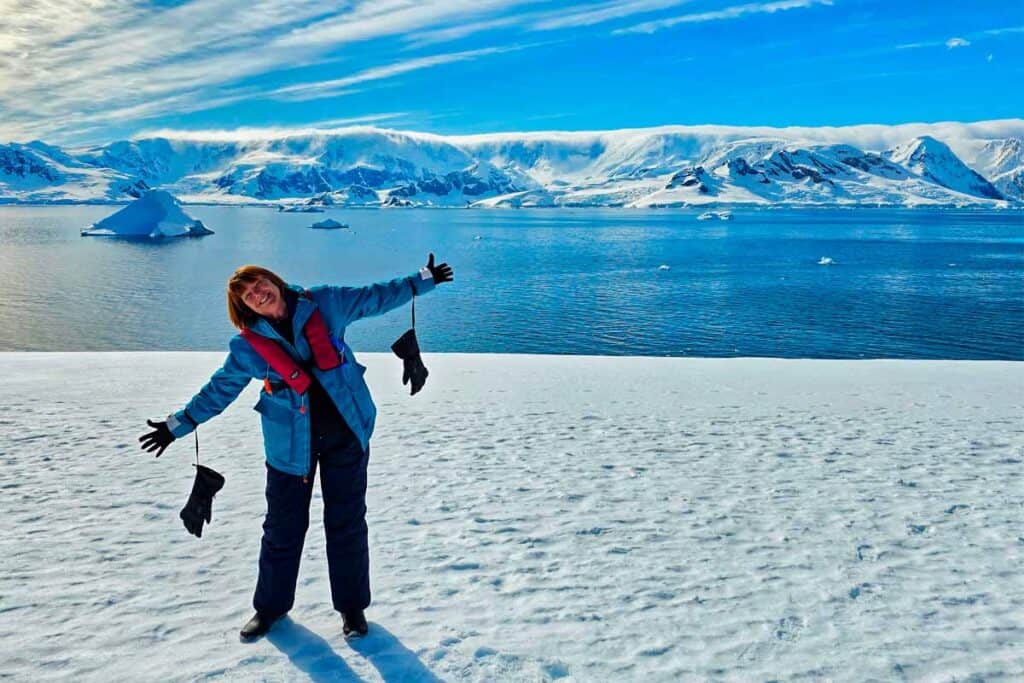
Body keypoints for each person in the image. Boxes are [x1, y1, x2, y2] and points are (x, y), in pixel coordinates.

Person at [139, 255, 454, 641]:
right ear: (244, 307)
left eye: (259, 285)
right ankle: (269, 609)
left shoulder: (326, 302)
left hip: (346, 434)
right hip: (289, 448)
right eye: (248, 296)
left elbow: (375, 297)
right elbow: (220, 390)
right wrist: (178, 426)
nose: (257, 294)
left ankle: (352, 609)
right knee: (282, 529)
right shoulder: (247, 349)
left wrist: (422, 281)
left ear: (274, 281)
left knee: (347, 523)